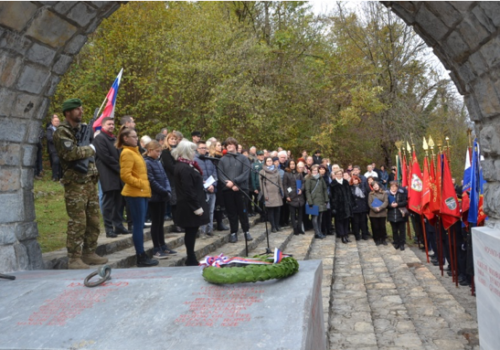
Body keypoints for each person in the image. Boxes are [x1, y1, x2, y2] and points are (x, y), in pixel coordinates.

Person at [53, 98, 108, 269]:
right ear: (67, 112)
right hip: (75, 182)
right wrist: (90, 149)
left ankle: (89, 252)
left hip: (90, 180)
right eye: (76, 109)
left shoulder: (83, 130)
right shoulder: (62, 132)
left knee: (93, 220)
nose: (80, 111)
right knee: (78, 221)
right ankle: (74, 258)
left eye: (81, 108)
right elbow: (70, 153)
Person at [117, 126, 158, 267]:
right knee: (138, 226)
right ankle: (140, 256)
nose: (136, 139)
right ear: (126, 138)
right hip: (135, 193)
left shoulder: (136, 152)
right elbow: (125, 175)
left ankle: (142, 254)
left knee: (140, 225)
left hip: (142, 192)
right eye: (134, 137)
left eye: (136, 136)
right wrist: (140, 184)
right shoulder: (127, 153)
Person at [171, 139, 210, 266]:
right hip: (189, 206)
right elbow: (188, 190)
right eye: (192, 150)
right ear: (187, 152)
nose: (194, 152)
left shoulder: (186, 165)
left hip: (190, 203)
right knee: (191, 232)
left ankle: (191, 257)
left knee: (192, 231)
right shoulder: (184, 167)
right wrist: (196, 207)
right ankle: (191, 258)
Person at [93, 116, 130, 238]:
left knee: (119, 202)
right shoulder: (99, 138)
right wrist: (121, 168)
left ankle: (118, 226)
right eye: (109, 124)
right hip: (108, 174)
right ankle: (108, 228)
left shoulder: (114, 138)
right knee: (108, 202)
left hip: (118, 175)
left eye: (113, 124)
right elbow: (105, 157)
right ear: (103, 125)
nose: (111, 126)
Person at [144, 140, 177, 260]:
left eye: (160, 151)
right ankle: (156, 248)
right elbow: (151, 180)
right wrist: (163, 190)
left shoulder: (157, 162)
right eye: (157, 151)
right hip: (154, 196)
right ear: (150, 150)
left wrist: (167, 189)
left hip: (163, 195)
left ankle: (163, 245)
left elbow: (165, 177)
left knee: (161, 223)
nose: (159, 153)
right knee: (156, 223)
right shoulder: (147, 162)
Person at [218, 137, 252, 243]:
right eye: (227, 144)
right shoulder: (222, 160)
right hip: (228, 190)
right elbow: (220, 173)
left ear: (236, 146)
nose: (229, 146)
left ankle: (246, 231)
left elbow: (246, 172)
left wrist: (236, 182)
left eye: (231, 144)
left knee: (243, 212)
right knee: (231, 213)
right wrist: (227, 183)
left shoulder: (242, 158)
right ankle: (233, 232)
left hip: (241, 189)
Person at [161, 131, 183, 233]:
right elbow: (170, 166)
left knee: (180, 202)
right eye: (171, 139)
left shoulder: (178, 150)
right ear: (167, 140)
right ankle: (177, 224)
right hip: (171, 179)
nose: (173, 141)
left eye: (175, 139)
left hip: (179, 179)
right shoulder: (165, 151)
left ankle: (181, 222)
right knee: (174, 202)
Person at [194, 140, 218, 237]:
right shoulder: (194, 160)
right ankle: (202, 230)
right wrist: (206, 186)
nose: (204, 150)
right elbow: (196, 175)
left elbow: (215, 173)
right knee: (203, 210)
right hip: (202, 190)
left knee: (211, 210)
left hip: (212, 189)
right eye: (201, 148)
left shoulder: (209, 159)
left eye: (205, 148)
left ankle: (210, 229)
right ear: (197, 149)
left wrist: (213, 185)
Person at [259, 156, 284, 232]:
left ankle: (277, 225)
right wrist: (265, 195)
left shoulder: (276, 170)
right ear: (265, 162)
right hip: (269, 194)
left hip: (277, 193)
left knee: (277, 210)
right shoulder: (262, 172)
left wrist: (282, 191)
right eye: (268, 161)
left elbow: (280, 182)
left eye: (270, 161)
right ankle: (273, 226)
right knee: (271, 211)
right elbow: (262, 185)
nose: (269, 162)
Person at [330, 170, 355, 243]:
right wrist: (334, 207)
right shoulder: (333, 184)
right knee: (340, 221)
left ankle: (346, 234)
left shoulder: (345, 182)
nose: (339, 175)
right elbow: (332, 197)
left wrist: (351, 203)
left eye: (340, 174)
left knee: (346, 221)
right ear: (335, 175)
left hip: (347, 205)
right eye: (338, 174)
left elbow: (349, 193)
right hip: (338, 206)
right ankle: (342, 236)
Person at [305, 164, 329, 239]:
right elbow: (307, 191)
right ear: (311, 171)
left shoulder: (321, 178)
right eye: (314, 170)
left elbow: (324, 189)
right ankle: (317, 232)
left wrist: (326, 199)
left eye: (316, 170)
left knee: (320, 218)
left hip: (321, 200)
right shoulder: (308, 179)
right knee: (315, 218)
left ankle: (320, 231)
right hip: (313, 200)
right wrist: (310, 201)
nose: (315, 171)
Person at [283, 160, 305, 235]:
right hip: (291, 196)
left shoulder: (299, 173)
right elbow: (285, 185)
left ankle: (299, 228)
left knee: (300, 214)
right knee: (292, 214)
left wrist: (301, 190)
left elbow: (303, 183)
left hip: (299, 196)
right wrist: (287, 195)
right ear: (289, 165)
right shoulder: (286, 174)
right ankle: (295, 228)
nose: (292, 165)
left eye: (293, 164)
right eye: (291, 164)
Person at [387, 181, 408, 250]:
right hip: (392, 214)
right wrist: (391, 205)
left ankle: (402, 244)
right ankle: (396, 242)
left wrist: (397, 204)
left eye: (394, 186)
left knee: (402, 230)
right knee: (394, 230)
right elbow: (386, 204)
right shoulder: (387, 194)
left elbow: (405, 202)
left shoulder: (401, 194)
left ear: (397, 187)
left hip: (401, 214)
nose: (393, 188)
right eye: (391, 186)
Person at [368, 181, 388, 245]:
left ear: (379, 186)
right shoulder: (370, 194)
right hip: (373, 213)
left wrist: (380, 208)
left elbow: (386, 202)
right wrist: (375, 209)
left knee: (382, 227)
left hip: (382, 212)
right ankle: (377, 239)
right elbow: (369, 203)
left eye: (376, 185)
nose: (375, 187)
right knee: (375, 227)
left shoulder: (384, 193)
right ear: (372, 187)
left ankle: (383, 239)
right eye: (374, 186)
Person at [350, 175, 370, 240]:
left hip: (363, 207)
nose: (355, 181)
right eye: (354, 180)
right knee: (356, 222)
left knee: (363, 222)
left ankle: (364, 235)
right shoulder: (350, 188)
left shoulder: (362, 187)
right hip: (355, 207)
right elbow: (350, 198)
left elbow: (366, 196)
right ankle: (357, 235)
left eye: (356, 179)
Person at [46, 114, 63, 181]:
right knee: (55, 161)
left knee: (61, 162)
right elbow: (49, 138)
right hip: (53, 148)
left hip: (60, 149)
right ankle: (54, 176)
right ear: (52, 122)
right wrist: (58, 139)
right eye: (55, 121)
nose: (57, 122)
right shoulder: (50, 129)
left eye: (58, 121)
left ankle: (60, 176)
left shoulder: (60, 129)